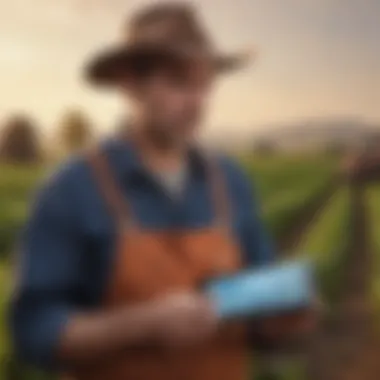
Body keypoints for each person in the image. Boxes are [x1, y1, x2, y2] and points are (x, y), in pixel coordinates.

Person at [10, 3, 316, 380]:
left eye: (205, 85)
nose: (197, 104)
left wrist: (281, 322)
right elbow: (32, 331)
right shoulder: (71, 190)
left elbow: (257, 319)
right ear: (129, 84)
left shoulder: (232, 183)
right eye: (179, 83)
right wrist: (140, 325)